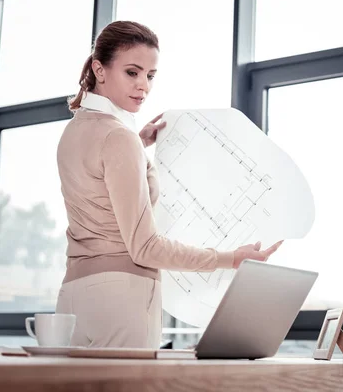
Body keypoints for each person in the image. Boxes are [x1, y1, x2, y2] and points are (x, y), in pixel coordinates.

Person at [55, 20, 282, 349]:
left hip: (73, 296)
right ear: (99, 70)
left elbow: (99, 183)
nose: (143, 86)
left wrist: (138, 145)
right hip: (122, 297)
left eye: (150, 75)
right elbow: (145, 248)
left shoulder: (74, 132)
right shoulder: (119, 138)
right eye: (132, 72)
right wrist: (230, 257)